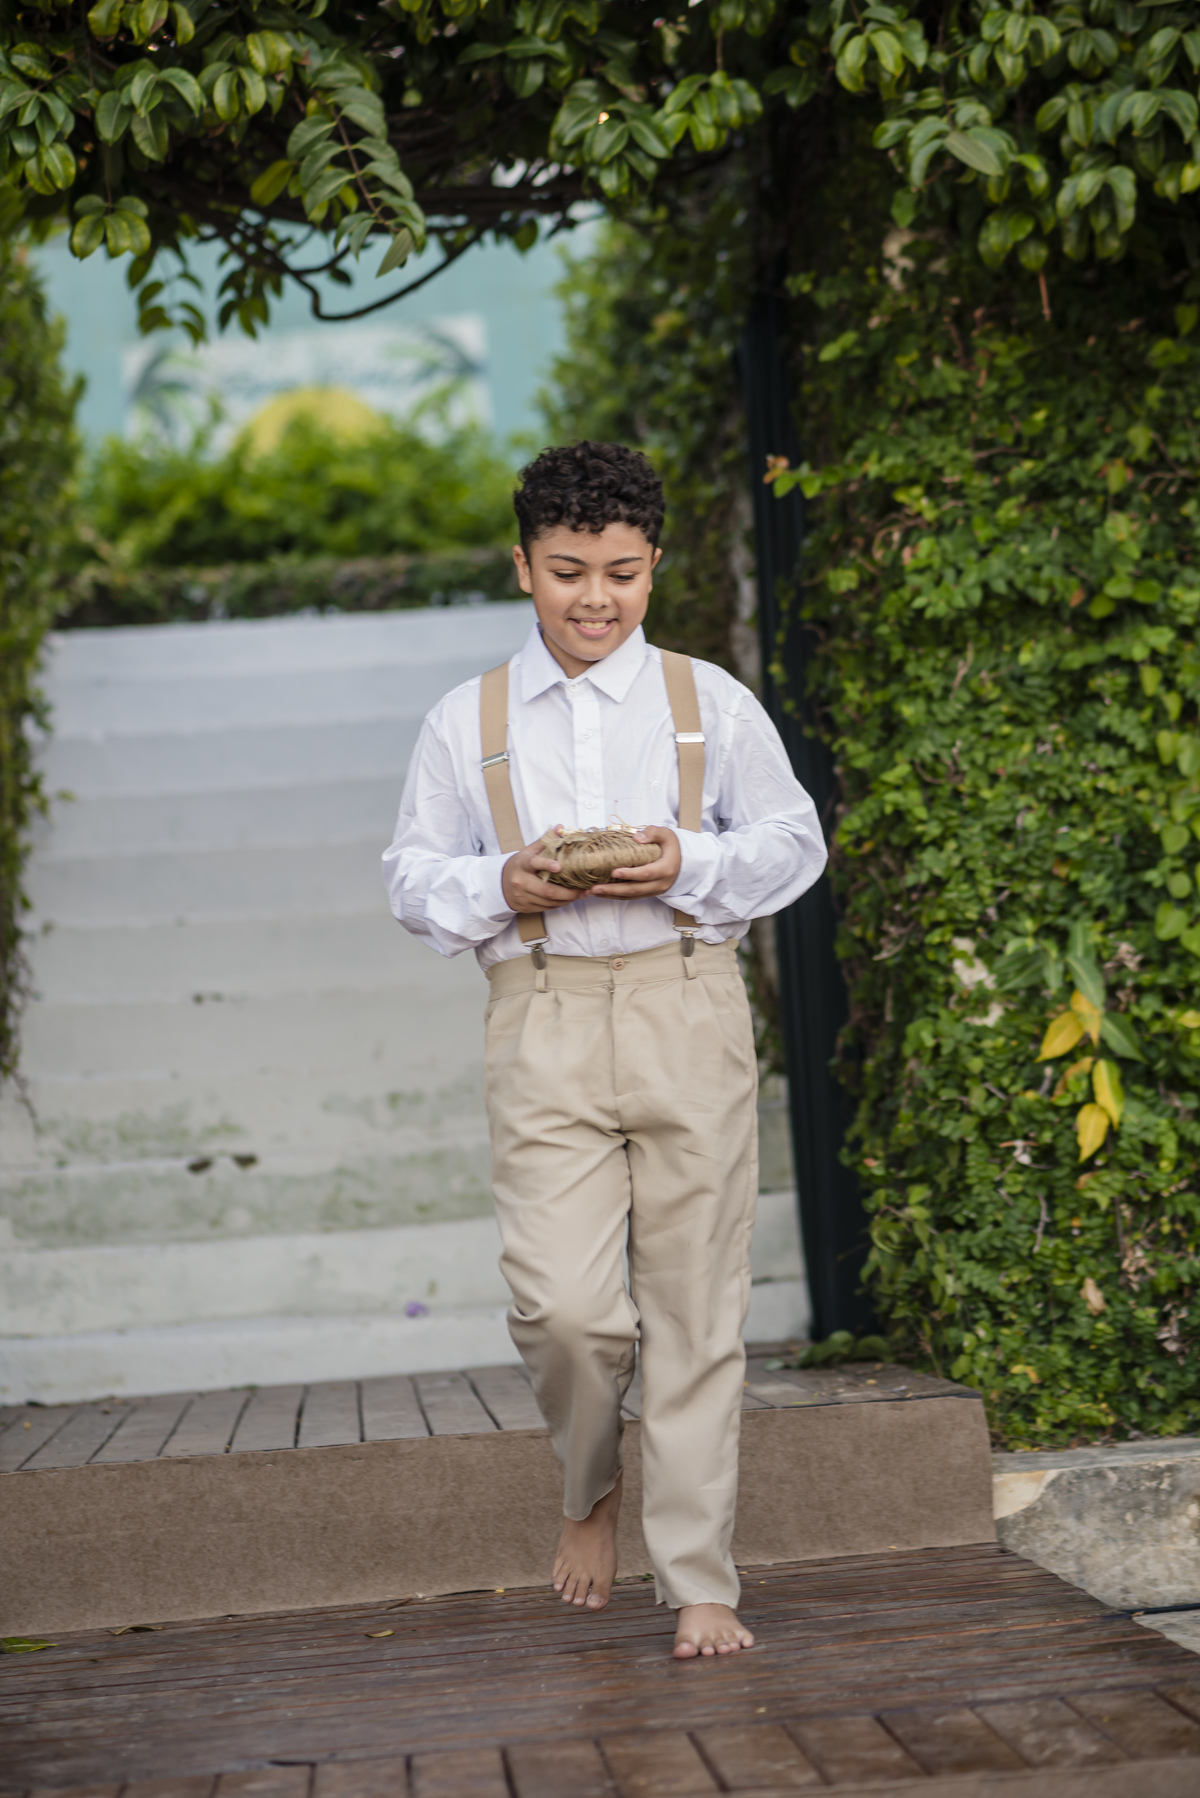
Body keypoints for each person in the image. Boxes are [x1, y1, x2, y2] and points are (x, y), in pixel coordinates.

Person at [383, 441, 826, 1658]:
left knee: (695, 1307)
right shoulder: (463, 720)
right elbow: (412, 881)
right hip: (542, 1010)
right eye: (569, 570)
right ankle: (590, 1484)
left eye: (621, 573)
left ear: (654, 567)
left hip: (689, 1001)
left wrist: (691, 860)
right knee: (566, 1307)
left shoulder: (708, 702)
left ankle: (698, 1579)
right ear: (522, 566)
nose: (595, 598)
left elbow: (794, 843)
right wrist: (502, 879)